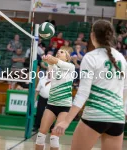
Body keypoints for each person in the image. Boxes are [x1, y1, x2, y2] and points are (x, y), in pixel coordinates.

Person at [53, 20, 127, 150]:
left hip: (95, 115)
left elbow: (83, 93)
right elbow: (125, 90)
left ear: (93, 36)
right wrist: (123, 113)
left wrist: (66, 121)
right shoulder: (121, 58)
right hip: (117, 118)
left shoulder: (91, 57)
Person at [35, 49, 75, 150]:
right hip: (51, 104)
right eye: (58, 51)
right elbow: (52, 64)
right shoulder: (54, 67)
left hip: (64, 106)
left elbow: (57, 62)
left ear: (67, 57)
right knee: (40, 135)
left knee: (54, 137)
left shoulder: (71, 67)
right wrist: (47, 59)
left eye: (62, 52)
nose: (59, 52)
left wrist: (50, 57)